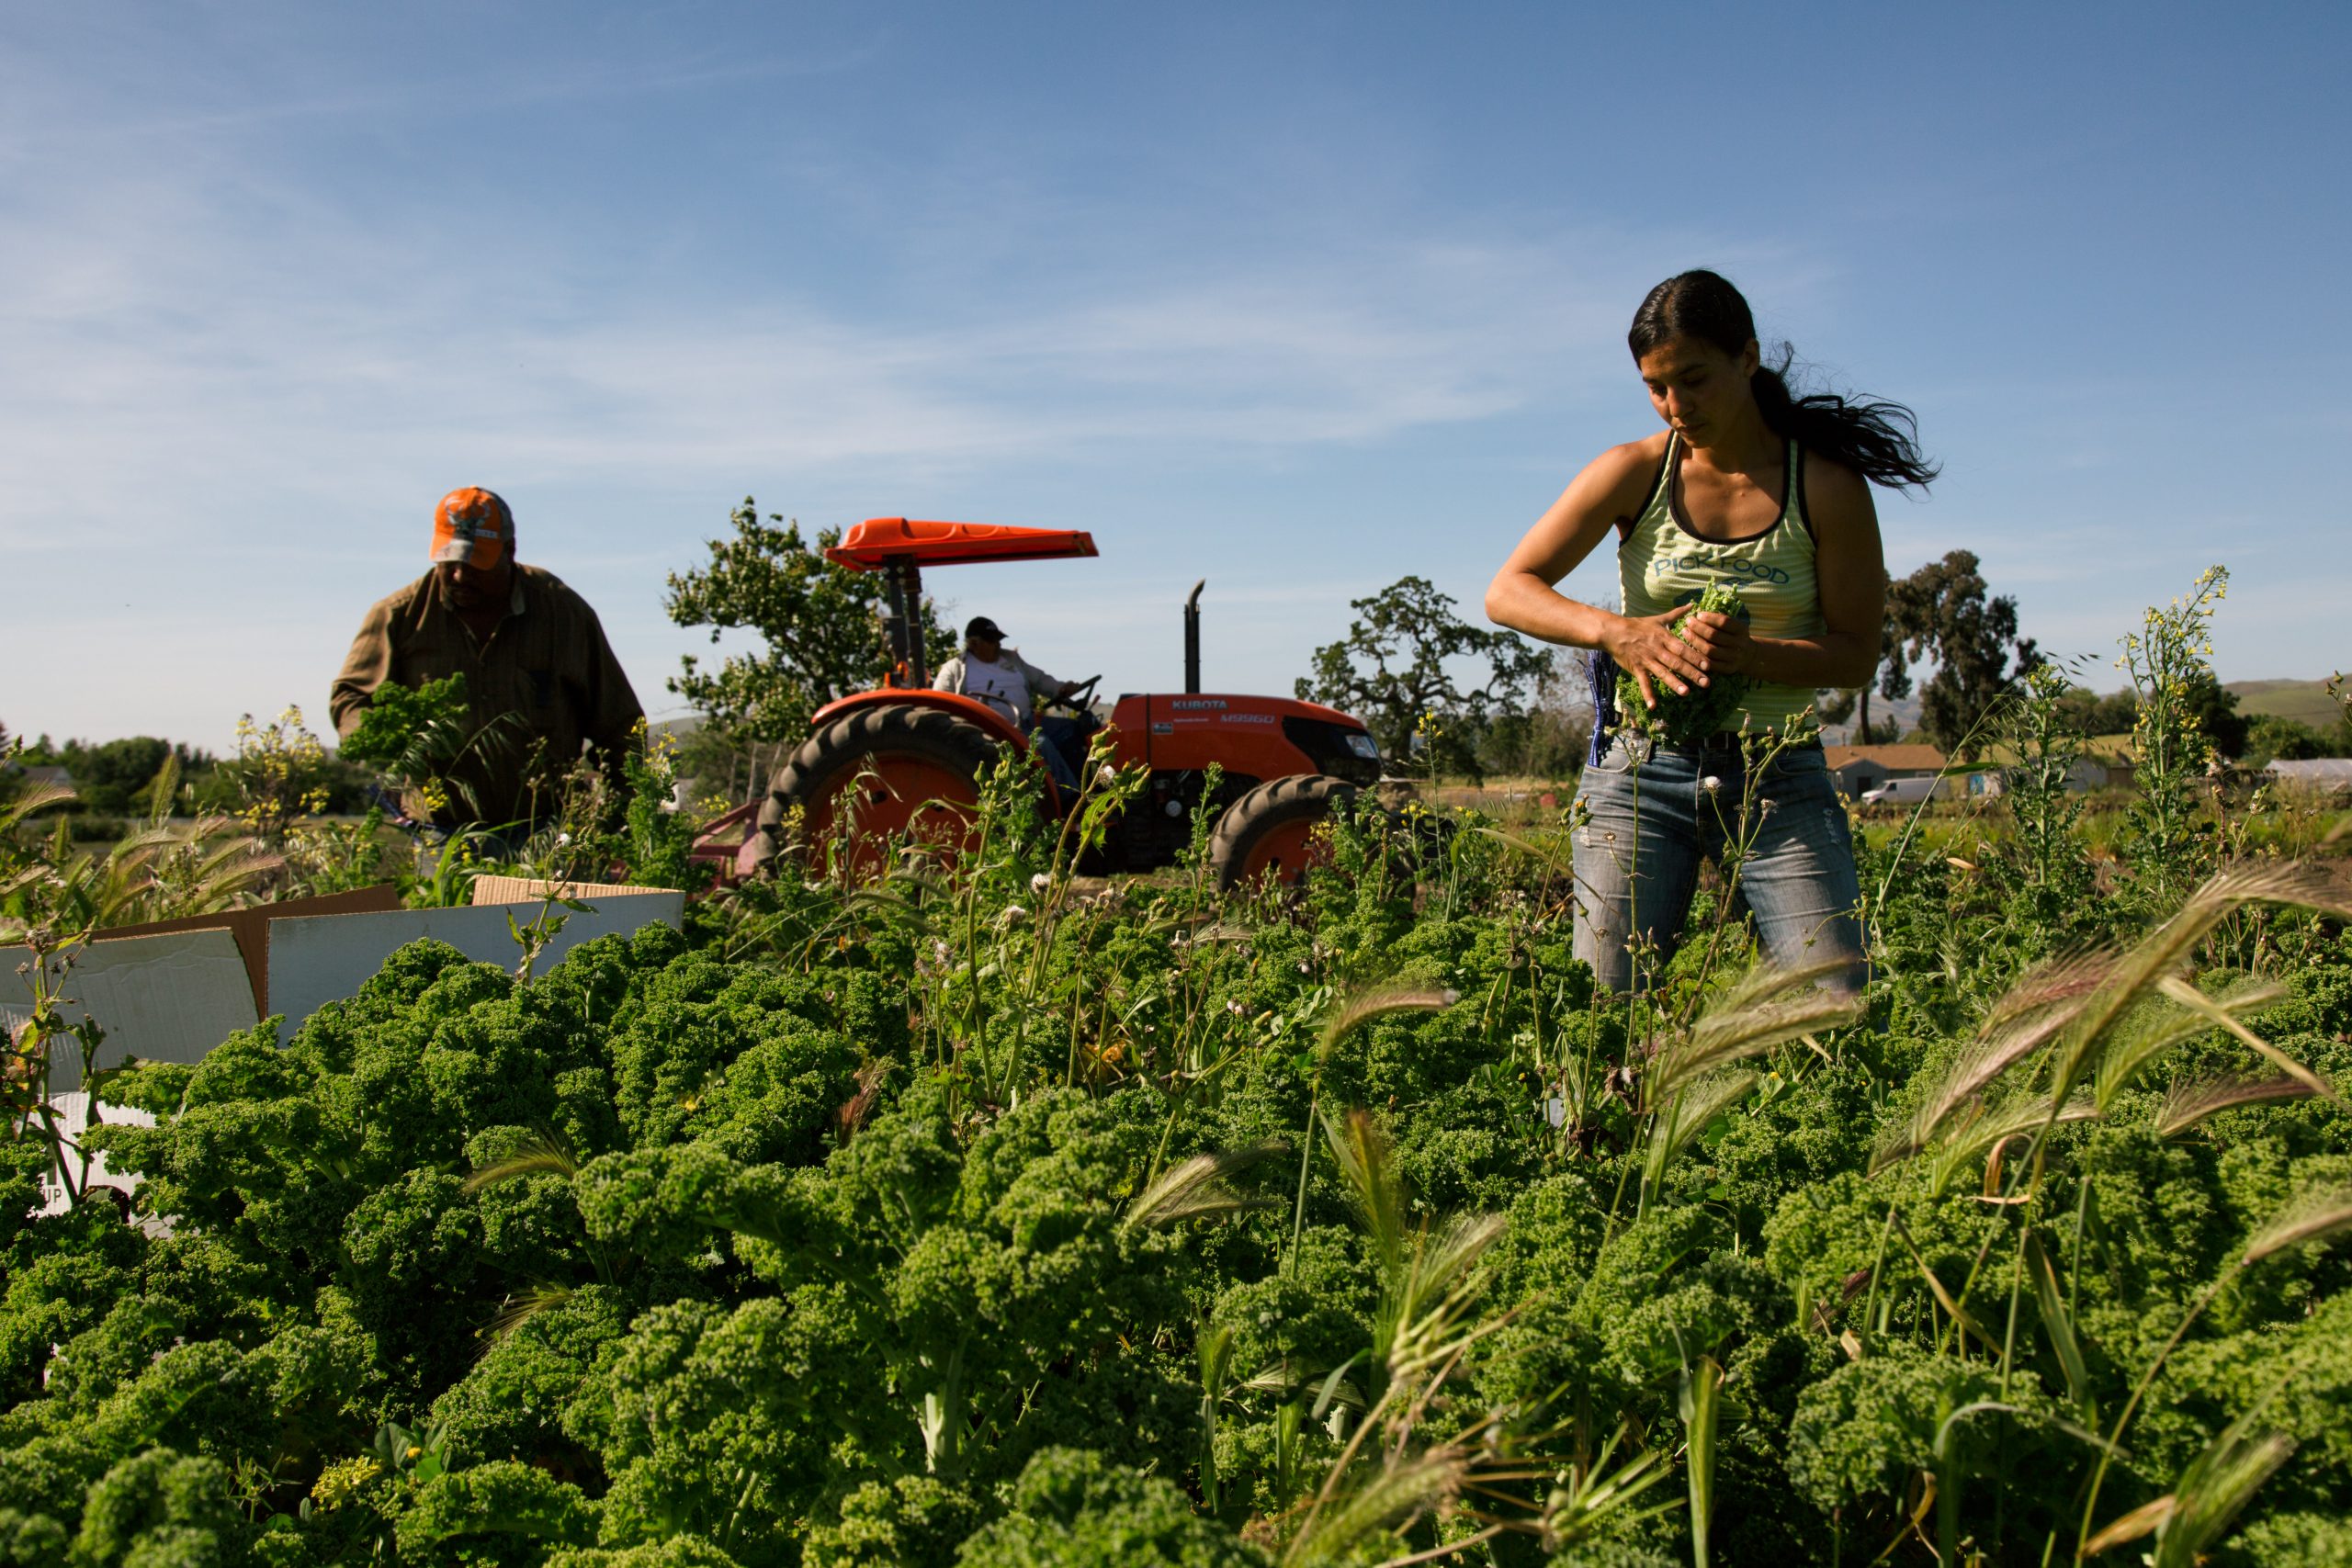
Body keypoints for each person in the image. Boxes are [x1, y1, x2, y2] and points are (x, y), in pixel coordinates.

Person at [1486, 270, 1936, 995]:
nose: (1675, 405)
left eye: (1692, 379)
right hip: (1642, 772)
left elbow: (1856, 655)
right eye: (1655, 387)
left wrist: (1752, 654)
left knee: (1836, 1005)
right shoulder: (1633, 471)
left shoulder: (1823, 485)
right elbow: (1509, 591)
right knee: (1602, 1016)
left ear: (1748, 358)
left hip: (1777, 776)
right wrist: (1618, 633)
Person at [330, 487, 644, 838]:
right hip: (441, 834)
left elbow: (620, 724)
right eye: (450, 562)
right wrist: (381, 750)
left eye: (476, 563)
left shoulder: (563, 613)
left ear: (509, 552)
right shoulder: (399, 617)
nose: (461, 577)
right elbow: (351, 698)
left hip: (549, 833)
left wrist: (621, 813)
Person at [933, 615, 1091, 792]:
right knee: (1040, 744)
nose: (998, 645)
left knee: (1072, 730)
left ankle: (1088, 784)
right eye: (992, 641)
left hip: (1026, 719)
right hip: (994, 729)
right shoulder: (955, 669)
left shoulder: (1011, 659)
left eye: (999, 640)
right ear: (973, 644)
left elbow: (1039, 679)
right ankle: (1071, 799)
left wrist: (1061, 688)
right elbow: (940, 703)